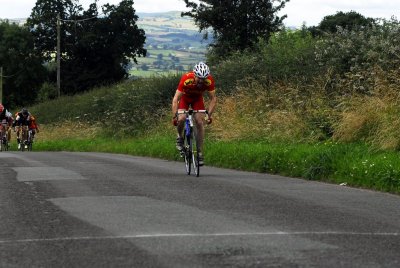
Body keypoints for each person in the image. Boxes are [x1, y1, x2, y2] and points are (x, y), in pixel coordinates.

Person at [172, 62, 217, 166]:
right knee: (182, 118)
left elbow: (213, 99)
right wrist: (175, 116)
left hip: (197, 99)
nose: (201, 81)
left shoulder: (209, 81)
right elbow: (176, 99)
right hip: (185, 99)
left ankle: (200, 153)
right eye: (199, 78)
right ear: (195, 75)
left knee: (200, 122)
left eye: (203, 79)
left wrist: (208, 115)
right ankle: (179, 137)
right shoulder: (186, 78)